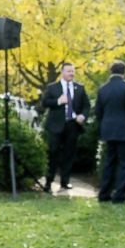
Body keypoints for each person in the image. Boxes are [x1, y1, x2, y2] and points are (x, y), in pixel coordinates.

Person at [39, 62, 90, 191]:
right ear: (62, 72)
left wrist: (83, 115)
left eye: (73, 71)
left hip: (72, 125)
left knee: (69, 154)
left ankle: (65, 181)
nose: (71, 73)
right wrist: (58, 101)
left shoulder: (80, 88)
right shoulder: (52, 87)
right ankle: (49, 181)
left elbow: (86, 105)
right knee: (53, 153)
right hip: (56, 125)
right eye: (68, 71)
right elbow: (44, 103)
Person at [95, 60, 125, 204]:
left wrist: (103, 126)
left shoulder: (103, 89)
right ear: (124, 72)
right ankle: (119, 195)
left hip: (108, 130)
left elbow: (98, 112)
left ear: (111, 71)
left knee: (109, 162)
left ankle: (104, 194)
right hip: (124, 130)